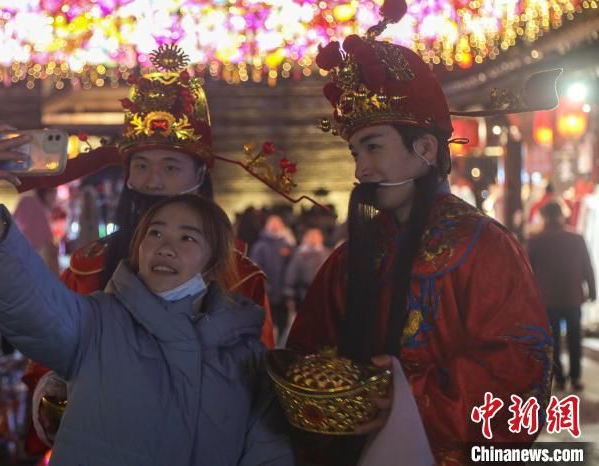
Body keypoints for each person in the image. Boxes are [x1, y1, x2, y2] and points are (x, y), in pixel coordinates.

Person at [282, 2, 553, 464]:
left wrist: (403, 397)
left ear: (426, 148)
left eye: (373, 147)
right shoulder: (348, 261)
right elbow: (306, 355)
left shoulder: (484, 248)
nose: (362, 170)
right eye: (355, 153)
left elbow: (521, 379)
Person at [0, 132, 294, 464]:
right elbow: (29, 302)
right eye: (155, 233)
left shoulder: (244, 339)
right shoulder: (98, 312)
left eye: (188, 238)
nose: (154, 181)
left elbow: (265, 448)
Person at [16, 44, 277, 454]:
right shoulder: (88, 266)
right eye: (141, 165)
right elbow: (48, 349)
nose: (153, 181)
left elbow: (256, 387)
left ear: (200, 174)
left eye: (170, 167)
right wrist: (52, 388)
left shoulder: (240, 278)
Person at [527, 201, 596, 391]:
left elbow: (528, 271)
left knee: (553, 341)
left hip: (548, 299)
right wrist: (592, 290)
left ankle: (558, 377)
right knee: (575, 340)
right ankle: (575, 377)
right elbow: (587, 266)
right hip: (572, 296)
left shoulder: (535, 240)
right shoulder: (576, 238)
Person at [250, 215, 295, 341]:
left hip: (283, 290)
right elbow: (255, 267)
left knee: (283, 321)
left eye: (278, 224)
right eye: (272, 224)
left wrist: (289, 286)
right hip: (268, 290)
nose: (275, 227)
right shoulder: (260, 246)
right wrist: (264, 285)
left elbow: (292, 266)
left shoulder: (287, 244)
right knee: (268, 321)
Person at [12, 188, 59, 275]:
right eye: (54, 193)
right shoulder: (33, 204)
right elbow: (46, 236)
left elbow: (13, 222)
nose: (55, 198)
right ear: (46, 193)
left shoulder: (27, 201)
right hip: (37, 252)